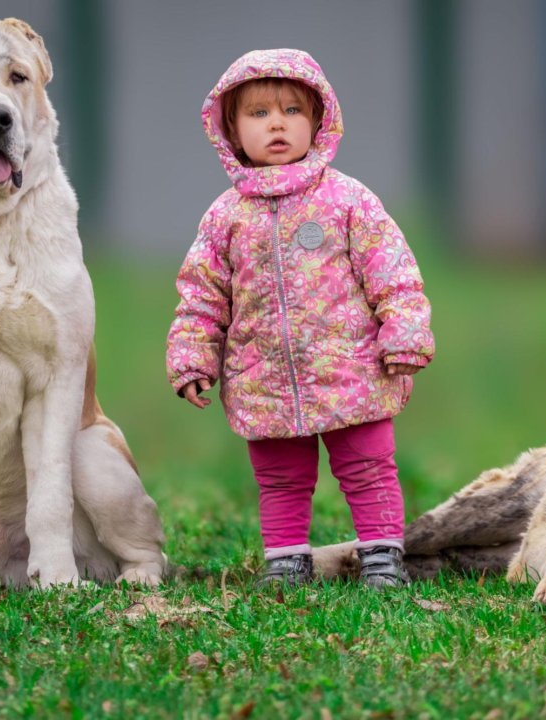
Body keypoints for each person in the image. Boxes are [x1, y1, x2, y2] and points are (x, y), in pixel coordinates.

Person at [166, 49, 434, 588]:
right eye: (259, 114)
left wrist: (403, 335)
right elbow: (202, 296)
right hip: (263, 377)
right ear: (232, 131)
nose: (278, 123)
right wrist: (193, 358)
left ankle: (382, 557)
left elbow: (394, 271)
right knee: (279, 477)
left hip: (351, 370)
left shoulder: (347, 200)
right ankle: (287, 561)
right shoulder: (226, 215)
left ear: (318, 121)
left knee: (368, 466)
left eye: (292, 110)